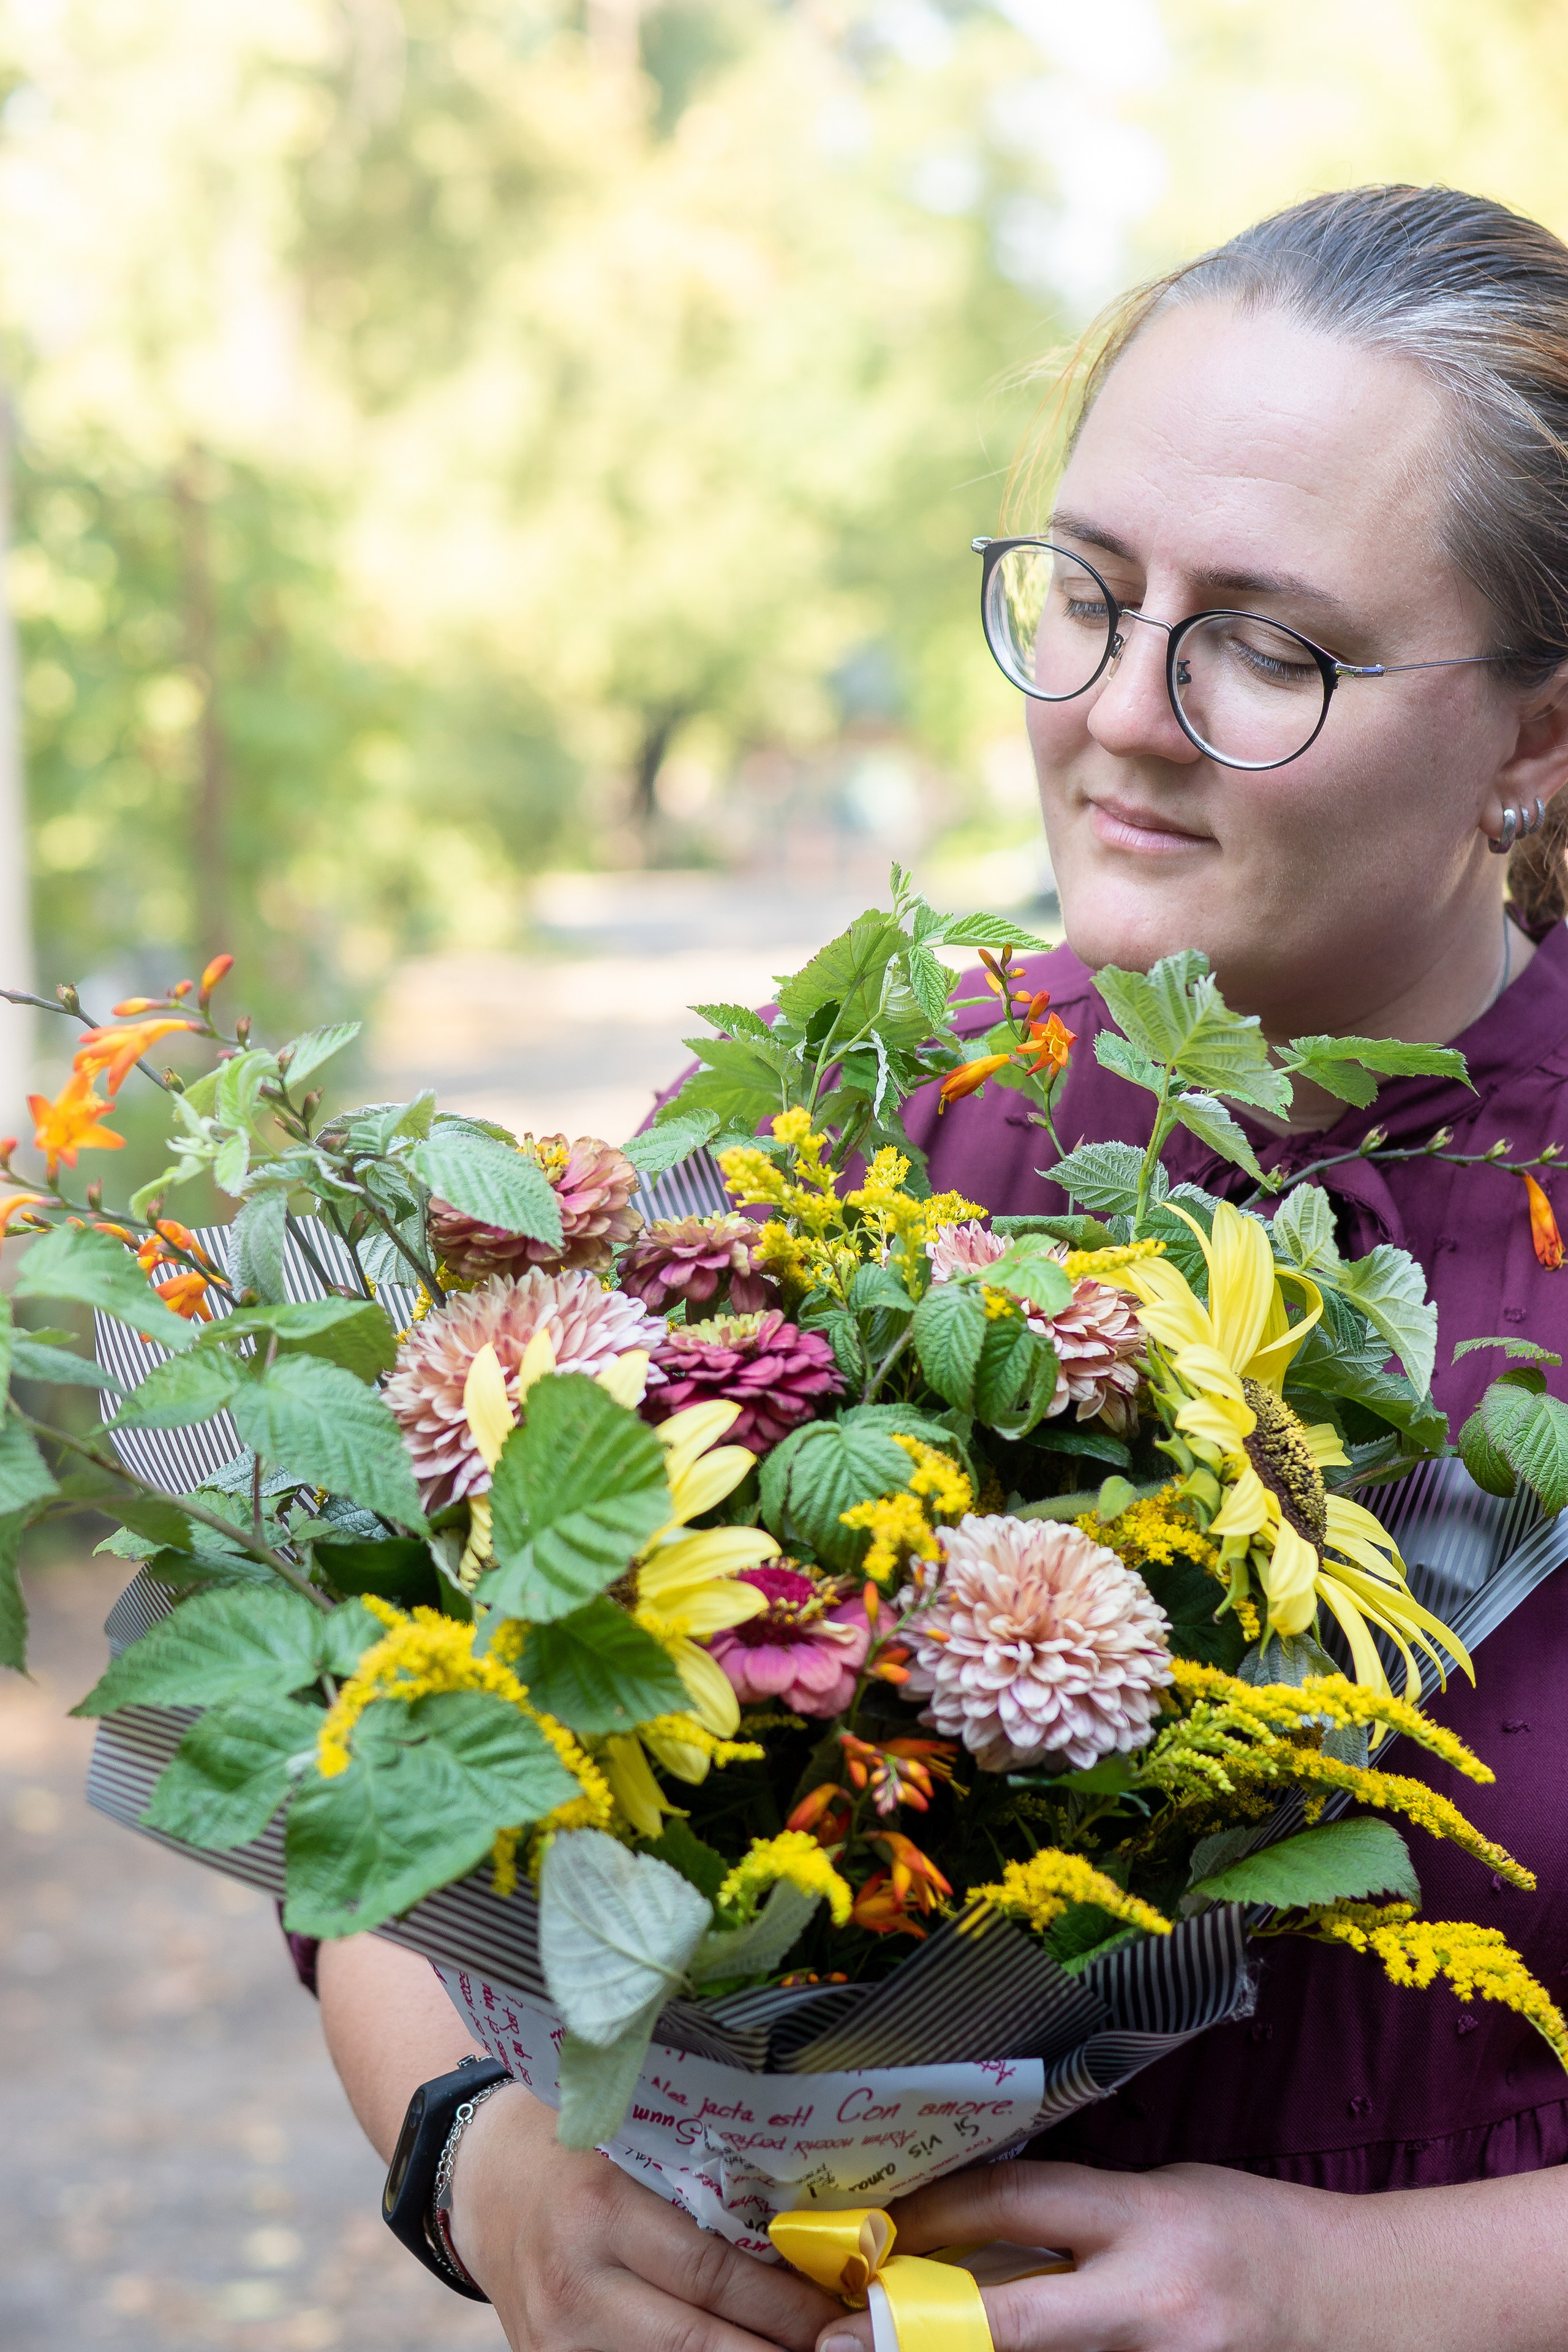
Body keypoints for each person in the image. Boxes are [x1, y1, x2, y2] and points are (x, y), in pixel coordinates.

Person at [313, 185, 1568, 2350]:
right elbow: (379, 1772)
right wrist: (482, 2163)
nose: (1123, 714)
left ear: (1539, 737)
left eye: (1268, 644)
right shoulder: (851, 1123)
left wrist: (1342, 2288)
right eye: (1087, 591)